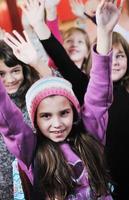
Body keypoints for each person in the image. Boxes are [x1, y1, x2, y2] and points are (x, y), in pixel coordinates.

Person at [105, 31, 129, 200]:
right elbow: (64, 64)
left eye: (120, 55)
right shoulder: (88, 92)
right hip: (111, 181)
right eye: (109, 56)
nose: (114, 61)